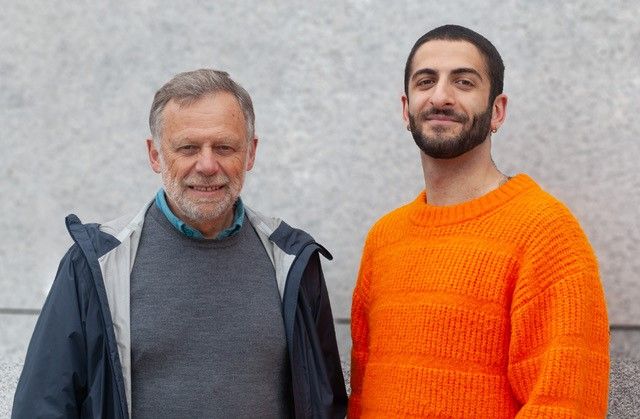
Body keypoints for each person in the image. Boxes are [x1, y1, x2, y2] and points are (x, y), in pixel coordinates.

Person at [13, 69, 347, 419]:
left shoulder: (292, 261)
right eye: (188, 148)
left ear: (250, 153)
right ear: (155, 155)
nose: (207, 165)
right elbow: (41, 408)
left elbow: (325, 405)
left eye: (224, 147)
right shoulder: (96, 264)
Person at [349, 25, 609, 418]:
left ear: (497, 112)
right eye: (426, 81)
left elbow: (565, 406)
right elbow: (362, 398)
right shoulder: (384, 238)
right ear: (406, 109)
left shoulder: (545, 232)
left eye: (464, 82)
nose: (440, 96)